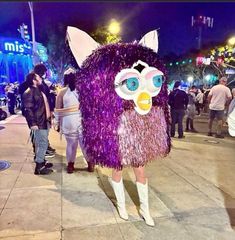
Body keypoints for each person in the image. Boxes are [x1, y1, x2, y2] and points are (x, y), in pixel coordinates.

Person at [54, 69, 95, 173]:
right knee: (85, 144)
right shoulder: (84, 90)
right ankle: (90, 164)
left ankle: (70, 165)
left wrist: (57, 123)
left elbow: (58, 110)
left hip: (68, 122)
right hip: (82, 120)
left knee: (71, 145)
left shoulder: (62, 92)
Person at [22, 72, 53, 175]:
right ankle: (39, 166)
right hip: (39, 122)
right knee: (42, 143)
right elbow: (28, 110)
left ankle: (42, 161)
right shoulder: (29, 92)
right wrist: (33, 123)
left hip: (44, 120)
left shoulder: (38, 90)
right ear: (34, 80)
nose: (41, 78)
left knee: (42, 142)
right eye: (39, 77)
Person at [33, 63, 56, 157]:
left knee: (44, 134)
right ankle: (40, 161)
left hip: (43, 113)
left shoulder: (41, 83)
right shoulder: (35, 84)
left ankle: (43, 154)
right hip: (39, 114)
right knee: (40, 136)